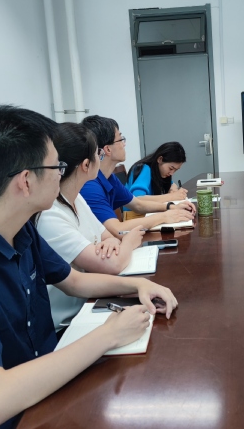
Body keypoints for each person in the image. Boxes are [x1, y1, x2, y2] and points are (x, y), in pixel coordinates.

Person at [0, 105, 178, 429]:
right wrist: (109, 335)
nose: (61, 174)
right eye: (57, 166)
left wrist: (138, 285)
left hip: (43, 385)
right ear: (26, 181)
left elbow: (75, 282)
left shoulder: (19, 228)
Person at [35, 122, 146, 331]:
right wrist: (129, 241)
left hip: (91, 303)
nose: (100, 159)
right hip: (68, 323)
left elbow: (108, 236)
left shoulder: (77, 198)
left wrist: (113, 243)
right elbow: (113, 264)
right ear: (86, 165)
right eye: (98, 154)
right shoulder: (50, 215)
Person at [80, 115, 196, 237]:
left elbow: (138, 204)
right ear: (107, 149)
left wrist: (170, 207)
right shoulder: (89, 185)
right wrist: (165, 216)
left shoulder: (109, 178)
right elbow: (118, 229)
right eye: (120, 139)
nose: (124, 144)